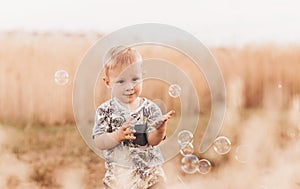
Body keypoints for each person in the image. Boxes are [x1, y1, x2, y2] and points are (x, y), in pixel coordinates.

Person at [92, 46, 175, 189]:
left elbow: (152, 141)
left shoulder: (150, 109)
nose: (129, 86)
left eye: (135, 79)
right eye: (121, 81)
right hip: (118, 181)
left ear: (142, 76)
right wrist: (116, 136)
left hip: (152, 179)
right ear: (108, 82)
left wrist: (160, 130)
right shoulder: (105, 111)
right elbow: (99, 141)